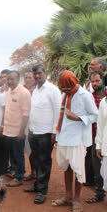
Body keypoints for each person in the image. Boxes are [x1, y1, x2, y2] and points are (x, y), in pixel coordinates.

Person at [52, 70, 98, 212]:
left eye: (64, 86)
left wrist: (77, 118)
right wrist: (56, 133)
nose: (61, 88)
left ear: (70, 84)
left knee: (78, 169)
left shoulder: (85, 96)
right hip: (64, 137)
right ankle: (68, 196)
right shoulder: (64, 95)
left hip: (78, 139)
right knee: (66, 168)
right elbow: (59, 115)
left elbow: (95, 115)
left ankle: (77, 200)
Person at [24, 64, 61, 204]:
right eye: (35, 74)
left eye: (39, 73)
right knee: (37, 160)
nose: (37, 76)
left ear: (45, 73)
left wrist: (54, 132)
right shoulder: (36, 90)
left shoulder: (53, 90)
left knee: (44, 161)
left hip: (46, 133)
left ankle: (42, 191)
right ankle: (37, 185)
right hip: (34, 131)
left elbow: (58, 112)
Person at [3, 70, 31, 187]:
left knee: (18, 154)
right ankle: (15, 172)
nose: (10, 81)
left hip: (18, 131)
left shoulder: (24, 93)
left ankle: (19, 177)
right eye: (8, 79)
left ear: (18, 79)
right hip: (8, 130)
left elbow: (26, 114)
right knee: (12, 154)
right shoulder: (9, 91)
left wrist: (21, 131)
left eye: (12, 79)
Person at [85, 70, 107, 203]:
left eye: (97, 80)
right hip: (95, 138)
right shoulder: (88, 97)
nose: (95, 84)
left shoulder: (105, 98)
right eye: (92, 81)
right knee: (97, 168)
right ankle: (99, 193)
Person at [23, 69, 36, 181]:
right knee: (29, 149)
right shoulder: (22, 89)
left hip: (36, 125)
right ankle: (33, 172)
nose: (27, 79)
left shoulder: (37, 89)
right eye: (26, 77)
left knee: (36, 150)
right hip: (25, 124)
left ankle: (38, 173)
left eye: (30, 77)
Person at [96, 94, 107, 195]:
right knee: (105, 174)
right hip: (106, 145)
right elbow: (100, 125)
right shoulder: (104, 101)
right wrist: (98, 145)